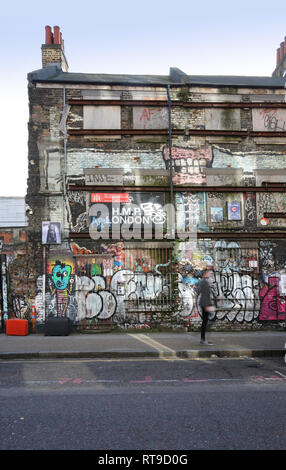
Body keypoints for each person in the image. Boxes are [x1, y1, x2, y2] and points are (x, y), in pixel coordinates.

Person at [198, 268, 215, 345]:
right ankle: (203, 340)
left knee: (206, 321)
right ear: (205, 273)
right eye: (209, 273)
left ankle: (203, 339)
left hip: (204, 303)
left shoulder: (203, 281)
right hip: (205, 304)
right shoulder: (204, 282)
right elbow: (205, 295)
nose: (210, 274)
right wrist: (207, 306)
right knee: (206, 322)